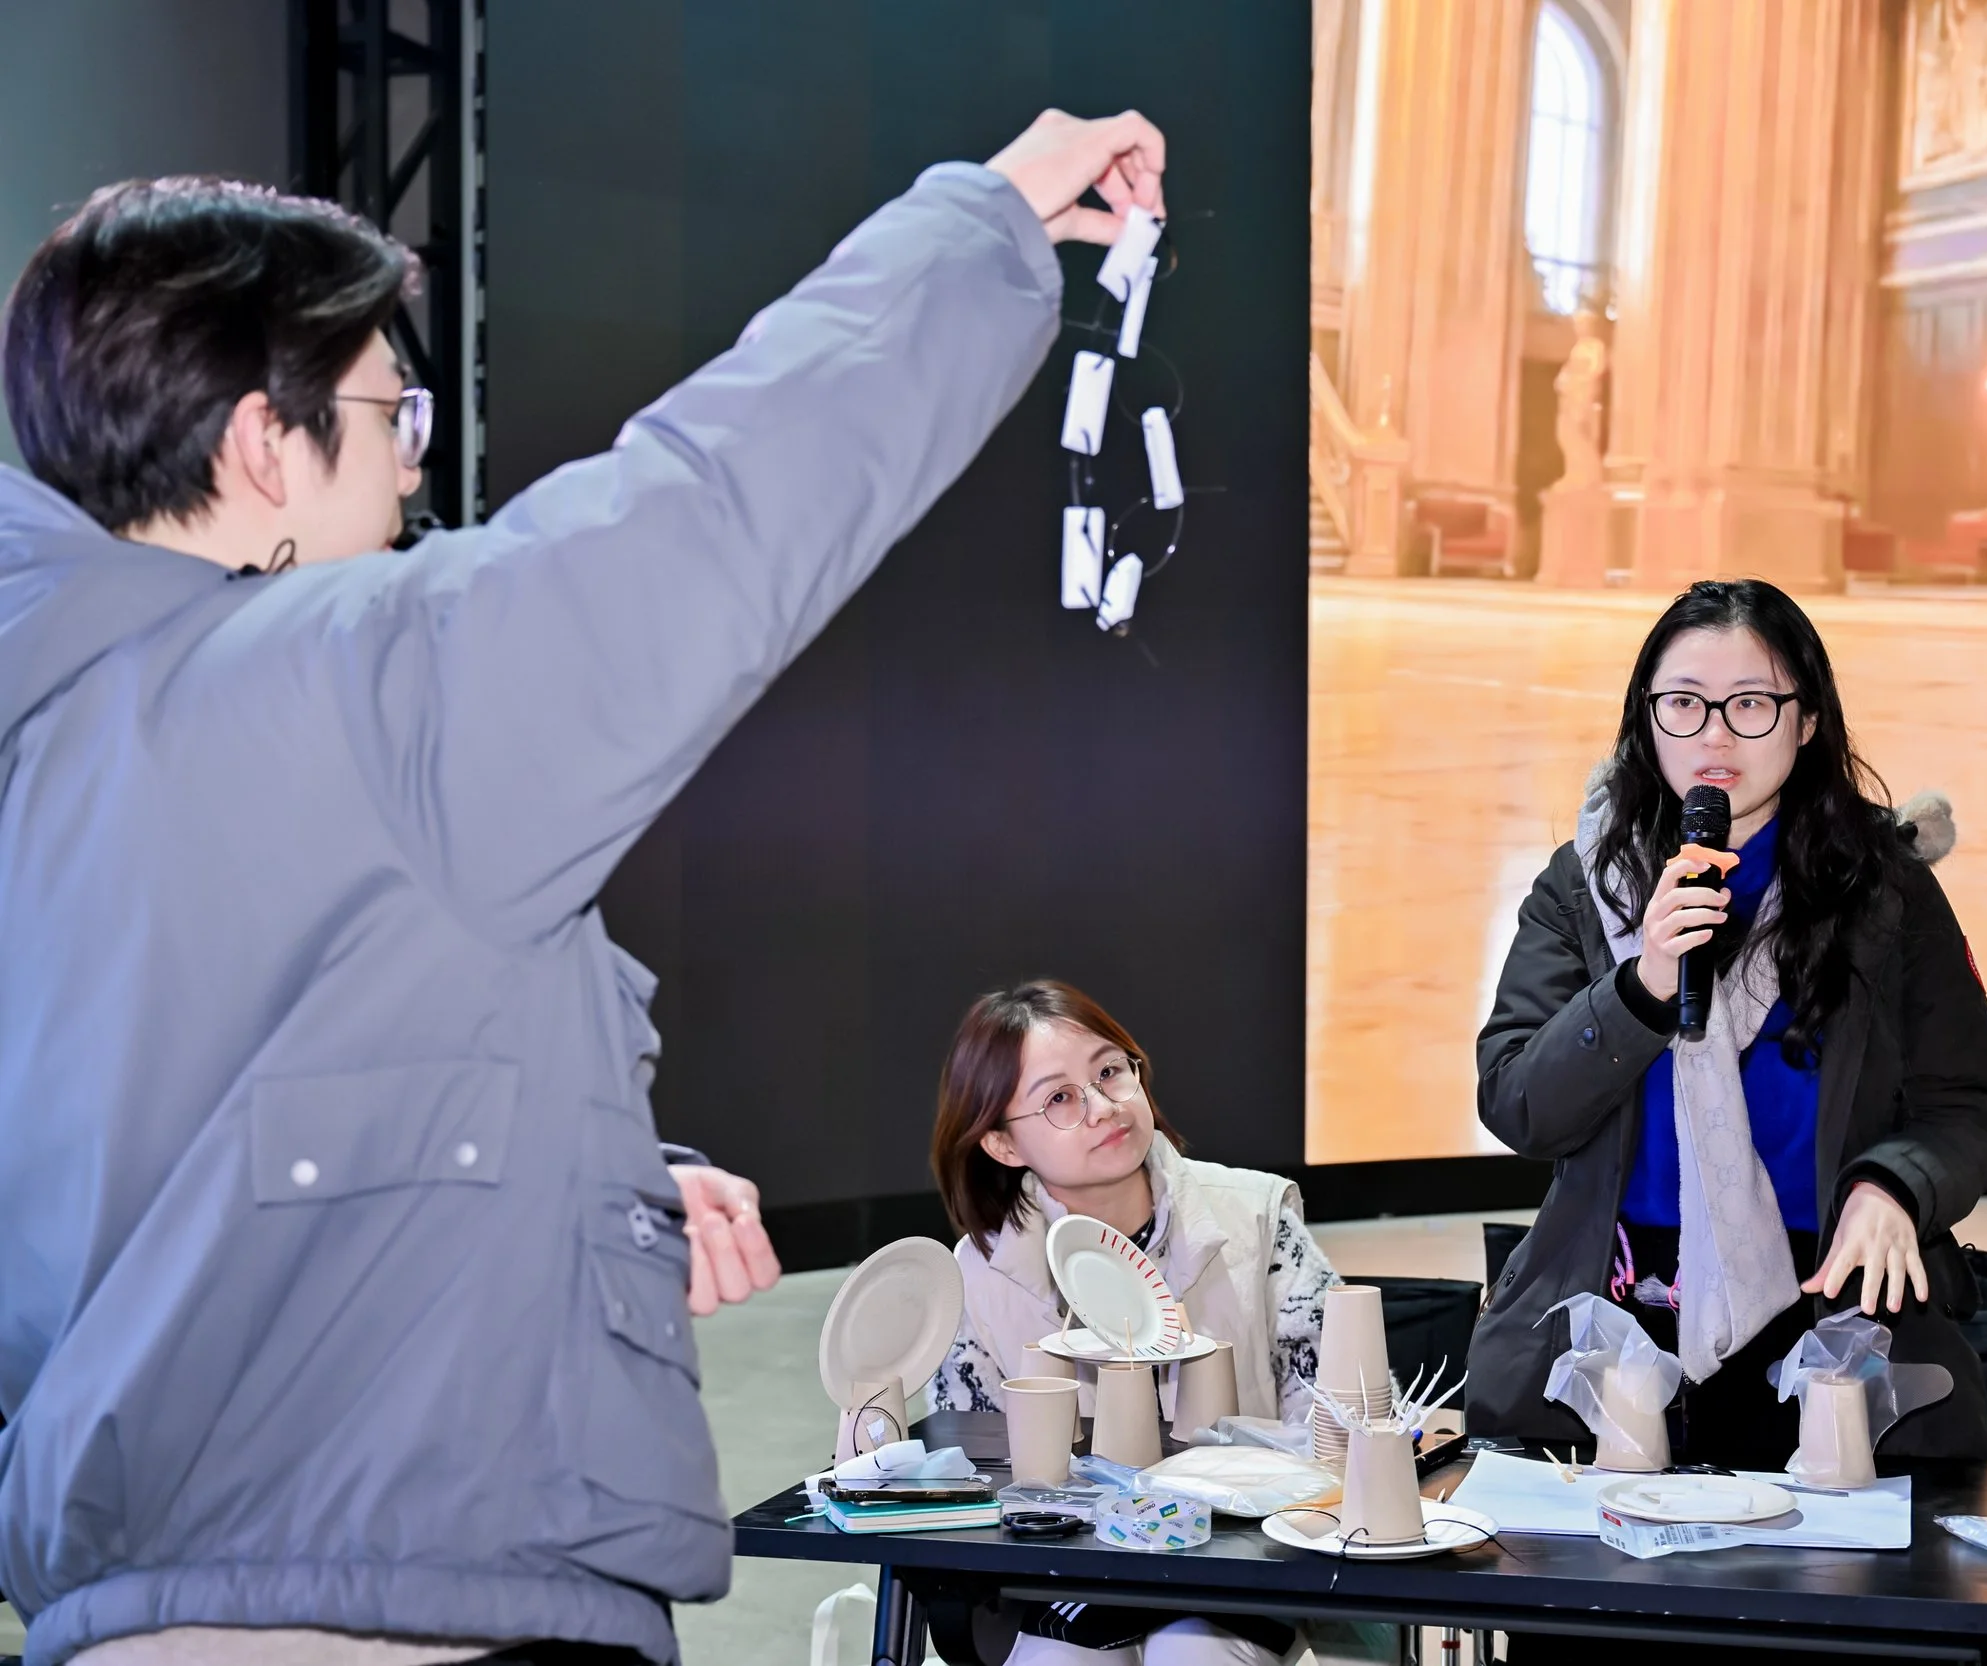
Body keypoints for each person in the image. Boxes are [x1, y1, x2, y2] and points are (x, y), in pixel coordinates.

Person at [0, 111, 1166, 1666]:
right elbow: (715, 496)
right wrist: (991, 216)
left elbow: (209, 1141)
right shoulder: (352, 695)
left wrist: (580, 1179)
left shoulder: (53, 747)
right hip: (404, 1605)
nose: (413, 474)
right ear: (266, 445)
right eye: (388, 412)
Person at [1467, 578, 1987, 1470]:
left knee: (1833, 1604)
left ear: (1806, 722)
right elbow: (1521, 1104)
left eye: (1751, 704)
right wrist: (1643, 984)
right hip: (1621, 1325)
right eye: (1684, 703)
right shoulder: (1583, 886)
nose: (1715, 735)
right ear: (1647, 719)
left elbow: (1965, 1108)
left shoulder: (1887, 889)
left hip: (1835, 1327)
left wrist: (1895, 1186)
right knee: (1602, 1607)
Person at [928, 981, 1336, 1666]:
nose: (1104, 1107)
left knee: (1196, 1653)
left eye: (1111, 1072)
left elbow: (1335, 1422)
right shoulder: (976, 1272)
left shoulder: (1258, 1217)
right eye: (1059, 1098)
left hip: (1246, 1563)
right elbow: (976, 1478)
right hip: (1061, 1580)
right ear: (1001, 1143)